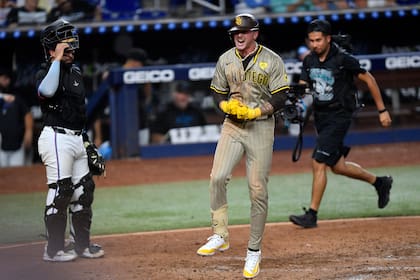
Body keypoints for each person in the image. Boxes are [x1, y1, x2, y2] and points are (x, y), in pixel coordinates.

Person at [196, 13, 290, 279]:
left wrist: (258, 112)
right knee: (217, 177)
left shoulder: (272, 60)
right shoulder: (226, 59)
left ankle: (254, 251)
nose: (239, 35)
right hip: (233, 126)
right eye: (235, 32)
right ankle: (220, 234)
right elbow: (217, 90)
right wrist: (223, 105)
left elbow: (281, 95)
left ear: (255, 34)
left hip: (260, 128)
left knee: (257, 189)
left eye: (244, 32)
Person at [288, 19, 393, 229]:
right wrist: (296, 102)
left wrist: (382, 110)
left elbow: (369, 79)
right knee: (338, 167)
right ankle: (380, 182)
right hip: (321, 118)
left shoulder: (343, 59)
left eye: (318, 40)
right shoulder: (309, 61)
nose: (315, 44)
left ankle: (312, 215)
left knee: (318, 162)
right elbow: (303, 87)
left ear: (328, 38)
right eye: (311, 41)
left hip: (340, 116)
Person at [36, 18, 104, 262]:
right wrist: (56, 58)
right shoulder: (45, 71)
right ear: (52, 49)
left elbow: (77, 110)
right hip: (55, 136)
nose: (70, 50)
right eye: (64, 46)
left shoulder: (75, 72)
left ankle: (81, 246)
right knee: (61, 192)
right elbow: (47, 92)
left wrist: (85, 141)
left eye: (71, 47)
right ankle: (53, 250)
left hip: (75, 138)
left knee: (84, 191)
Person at [91, 47, 155, 149]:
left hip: (140, 125)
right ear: (136, 63)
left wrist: (147, 81)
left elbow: (147, 98)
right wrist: (98, 137)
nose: (142, 68)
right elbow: (97, 113)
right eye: (142, 65)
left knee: (142, 157)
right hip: (115, 129)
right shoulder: (114, 75)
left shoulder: (141, 80)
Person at [0, 68, 33, 167]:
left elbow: (27, 114)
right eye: (3, 78)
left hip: (17, 146)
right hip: (1, 147)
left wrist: (29, 131)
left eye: (8, 79)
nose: (6, 81)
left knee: (17, 176)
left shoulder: (17, 97)